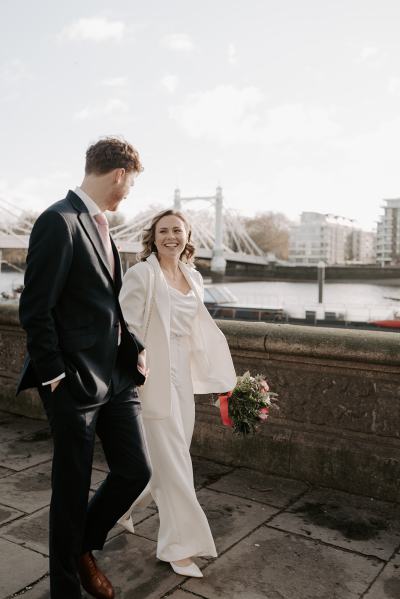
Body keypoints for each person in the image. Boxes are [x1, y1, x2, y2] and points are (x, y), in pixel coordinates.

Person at [17, 137, 152, 599]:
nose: (128, 193)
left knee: (136, 470)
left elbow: (105, 306)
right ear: (119, 175)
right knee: (71, 491)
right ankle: (66, 590)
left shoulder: (101, 226)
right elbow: (35, 309)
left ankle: (82, 547)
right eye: (130, 184)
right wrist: (55, 377)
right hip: (72, 382)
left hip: (115, 377)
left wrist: (131, 347)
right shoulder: (59, 221)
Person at [118, 209, 236, 578]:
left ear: (187, 237)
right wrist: (137, 374)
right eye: (163, 230)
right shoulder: (141, 274)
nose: (171, 236)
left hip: (183, 378)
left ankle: (118, 504)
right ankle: (179, 546)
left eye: (178, 231)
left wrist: (221, 381)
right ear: (152, 237)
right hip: (153, 378)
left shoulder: (195, 277)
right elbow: (126, 329)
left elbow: (197, 333)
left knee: (170, 457)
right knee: (176, 465)